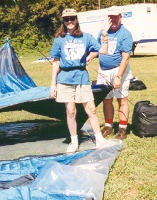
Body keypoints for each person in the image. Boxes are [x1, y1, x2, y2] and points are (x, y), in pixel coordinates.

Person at [50, 8, 111, 154]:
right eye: (66, 19)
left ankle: (99, 139)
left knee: (91, 110)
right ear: (63, 22)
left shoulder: (86, 37)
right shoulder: (59, 40)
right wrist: (53, 84)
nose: (69, 21)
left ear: (77, 19)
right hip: (64, 79)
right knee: (70, 111)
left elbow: (103, 51)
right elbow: (55, 63)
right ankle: (74, 140)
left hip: (82, 78)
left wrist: (104, 33)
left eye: (72, 18)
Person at [96, 6, 133, 140]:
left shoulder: (125, 34)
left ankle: (122, 129)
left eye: (115, 17)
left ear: (120, 17)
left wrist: (118, 76)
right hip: (103, 71)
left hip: (118, 69)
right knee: (106, 100)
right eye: (110, 17)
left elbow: (126, 58)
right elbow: (96, 49)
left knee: (121, 100)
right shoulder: (102, 32)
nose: (113, 20)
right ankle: (108, 126)